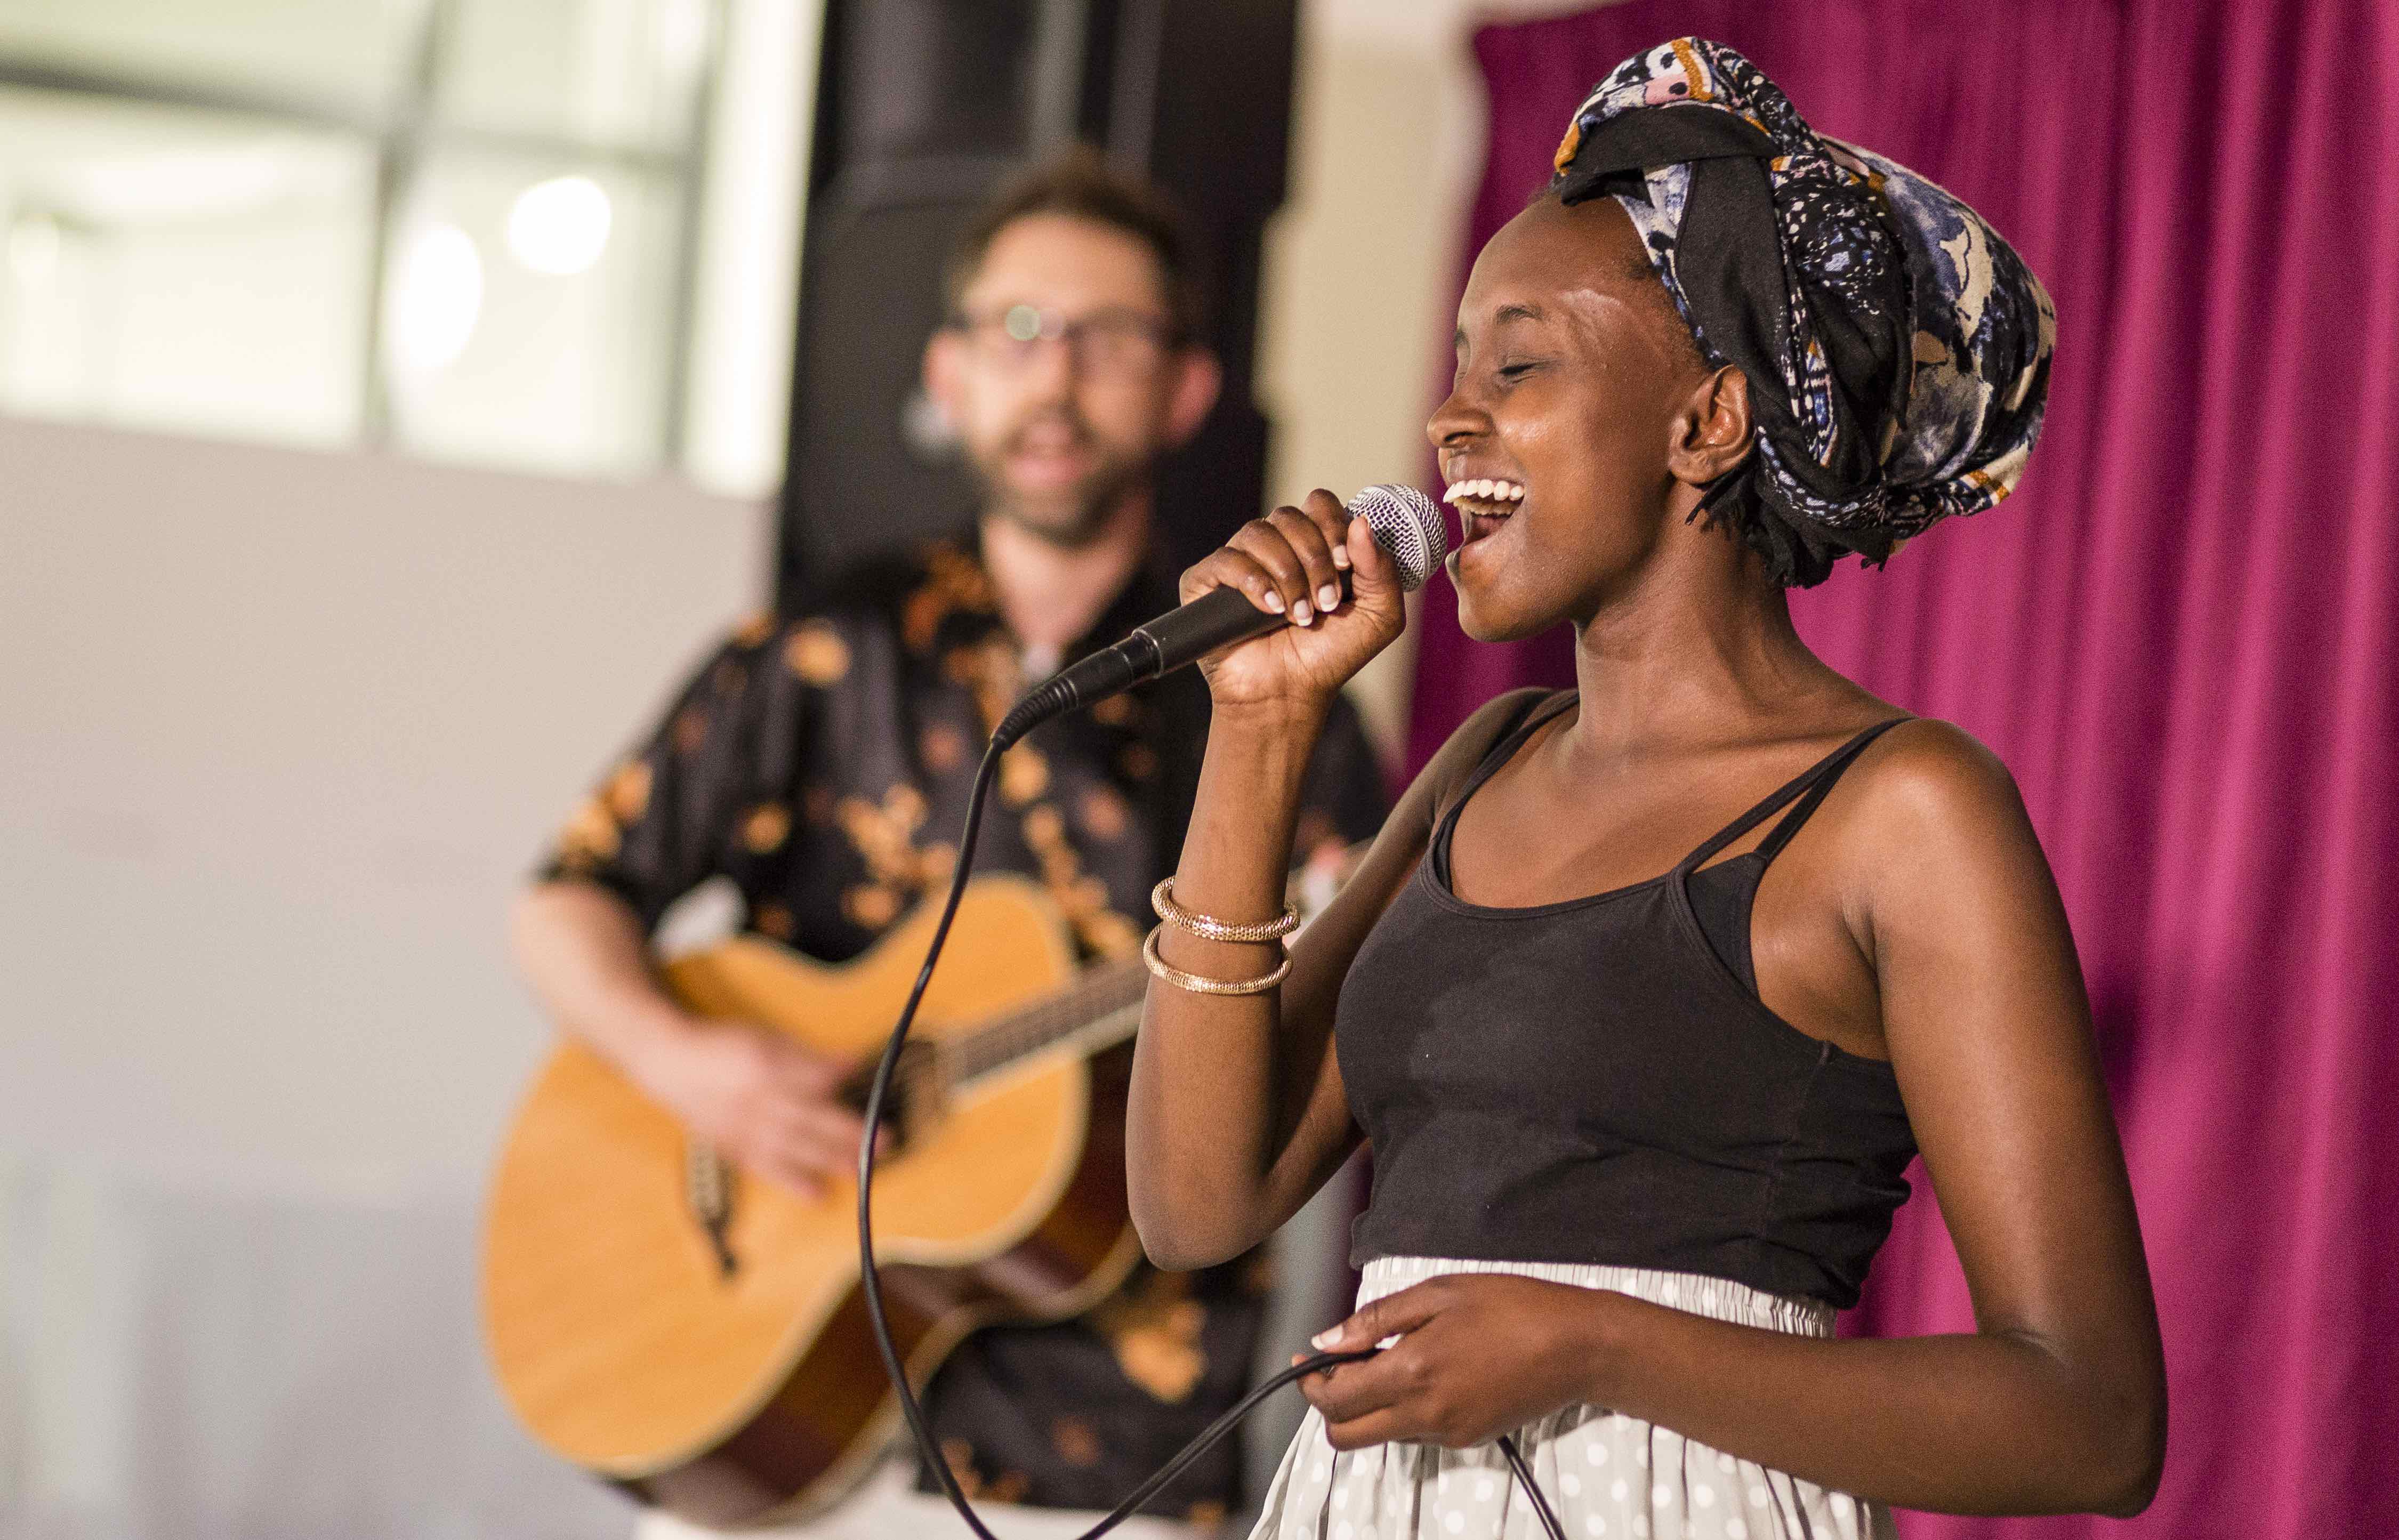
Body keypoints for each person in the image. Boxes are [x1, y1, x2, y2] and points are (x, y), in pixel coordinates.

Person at [1126, 38, 2164, 1540]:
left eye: (1519, 363)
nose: (1448, 420)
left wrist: (1586, 1340)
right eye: (1457, 365)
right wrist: (1260, 726)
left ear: (1708, 423)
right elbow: (1195, 1200)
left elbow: (2088, 1418)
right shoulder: (1480, 767)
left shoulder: (1898, 809)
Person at [513, 147, 1388, 1538]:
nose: (1054, 380)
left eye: (1106, 339)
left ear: (1186, 388)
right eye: (1019, 331)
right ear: (949, 373)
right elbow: (568, 900)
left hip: (1108, 1455)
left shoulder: (1276, 691)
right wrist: (696, 1064)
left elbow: (1345, 1047)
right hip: (774, 1402)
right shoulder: (824, 643)